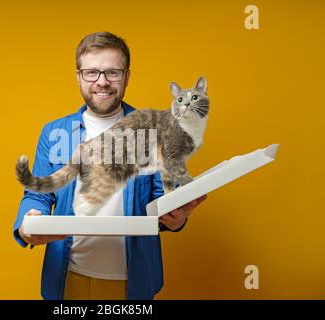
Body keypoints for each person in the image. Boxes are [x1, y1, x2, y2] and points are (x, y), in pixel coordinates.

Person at [13, 31, 207, 300]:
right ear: (79, 76)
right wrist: (29, 221)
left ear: (127, 76)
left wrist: (176, 217)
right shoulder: (54, 131)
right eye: (91, 72)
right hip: (68, 278)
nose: (102, 82)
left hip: (134, 282)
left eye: (113, 72)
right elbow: (37, 196)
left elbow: (160, 199)